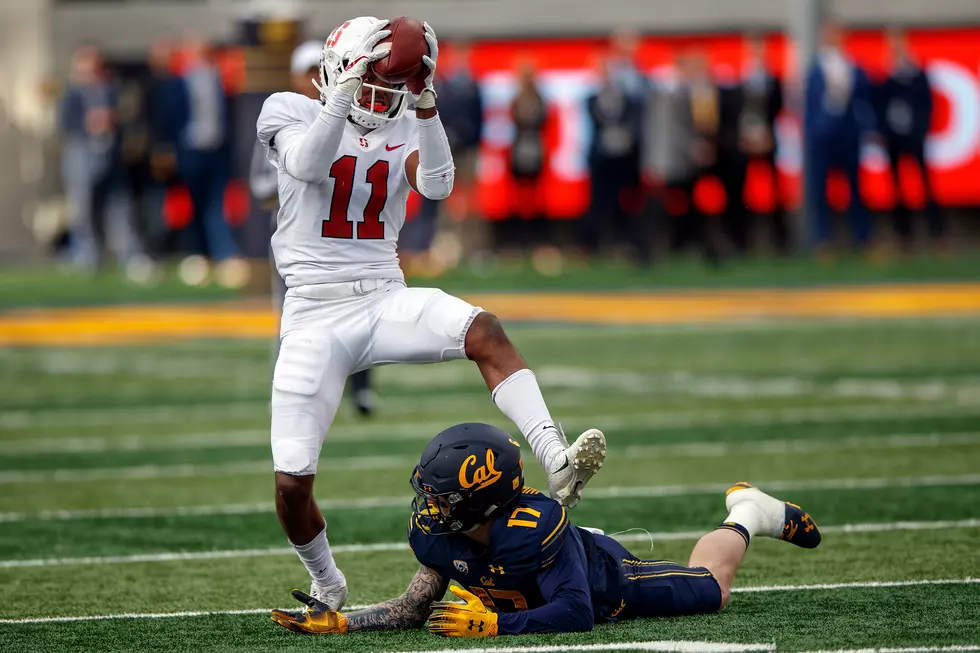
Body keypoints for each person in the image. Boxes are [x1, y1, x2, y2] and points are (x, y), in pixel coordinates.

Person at [255, 17, 606, 613]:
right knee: (291, 484)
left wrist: (425, 107)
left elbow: (439, 186)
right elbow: (310, 166)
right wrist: (341, 97)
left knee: (484, 330)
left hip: (382, 291)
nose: (378, 100)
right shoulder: (285, 108)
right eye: (370, 84)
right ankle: (328, 583)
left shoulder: (402, 116)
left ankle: (556, 458)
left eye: (389, 89)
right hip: (313, 309)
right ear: (341, 67)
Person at [271, 423, 821, 636]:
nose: (429, 508)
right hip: (544, 571)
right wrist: (346, 623)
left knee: (712, 589)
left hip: (608, 581)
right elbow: (413, 610)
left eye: (442, 498)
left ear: (482, 498)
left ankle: (747, 512)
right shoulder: (443, 536)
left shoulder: (531, 530)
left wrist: (494, 627)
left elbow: (577, 613)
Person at [250, 40, 377, 417]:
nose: (313, 79)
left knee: (365, 310)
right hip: (300, 239)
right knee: (294, 314)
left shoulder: (358, 119)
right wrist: (301, 172)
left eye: (317, 70)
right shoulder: (283, 117)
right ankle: (290, 391)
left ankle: (362, 390)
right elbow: (259, 186)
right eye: (306, 71)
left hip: (347, 237)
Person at [804, 19, 876, 253]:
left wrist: (866, 128)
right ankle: (822, 240)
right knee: (820, 191)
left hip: (849, 134)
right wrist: (813, 132)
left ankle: (862, 238)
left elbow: (866, 100)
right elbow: (808, 105)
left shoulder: (853, 67)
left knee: (856, 188)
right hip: (822, 137)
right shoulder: (814, 69)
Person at [877, 27, 944, 252]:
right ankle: (904, 236)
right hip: (893, 139)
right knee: (897, 189)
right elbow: (880, 107)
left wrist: (920, 130)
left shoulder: (916, 73)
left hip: (914, 137)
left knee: (926, 185)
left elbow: (926, 105)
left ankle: (937, 234)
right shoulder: (886, 74)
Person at [737, 34, 788, 254]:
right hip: (745, 141)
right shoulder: (740, 77)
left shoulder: (773, 79)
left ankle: (780, 239)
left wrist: (767, 134)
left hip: (769, 139)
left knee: (775, 188)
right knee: (743, 188)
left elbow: (779, 108)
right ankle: (746, 238)